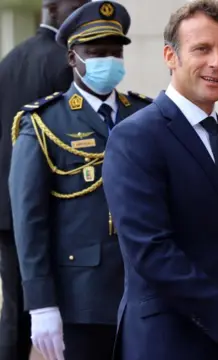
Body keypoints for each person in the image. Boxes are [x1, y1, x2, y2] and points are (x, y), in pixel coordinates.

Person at [101, 1, 218, 359]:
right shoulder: (135, 137)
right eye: (202, 49)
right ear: (171, 56)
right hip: (166, 340)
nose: (216, 62)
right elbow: (151, 251)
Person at [8, 1, 152, 359]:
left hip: (146, 291)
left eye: (115, 52)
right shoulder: (44, 123)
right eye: (96, 52)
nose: (109, 61)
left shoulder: (145, 114)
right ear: (73, 59)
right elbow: (30, 220)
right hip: (83, 298)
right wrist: (41, 304)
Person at [0, 1, 88, 358]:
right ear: (51, 8)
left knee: (14, 308)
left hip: (8, 208)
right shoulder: (64, 61)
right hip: (48, 208)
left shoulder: (10, 59)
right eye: (76, 3)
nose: (83, 8)